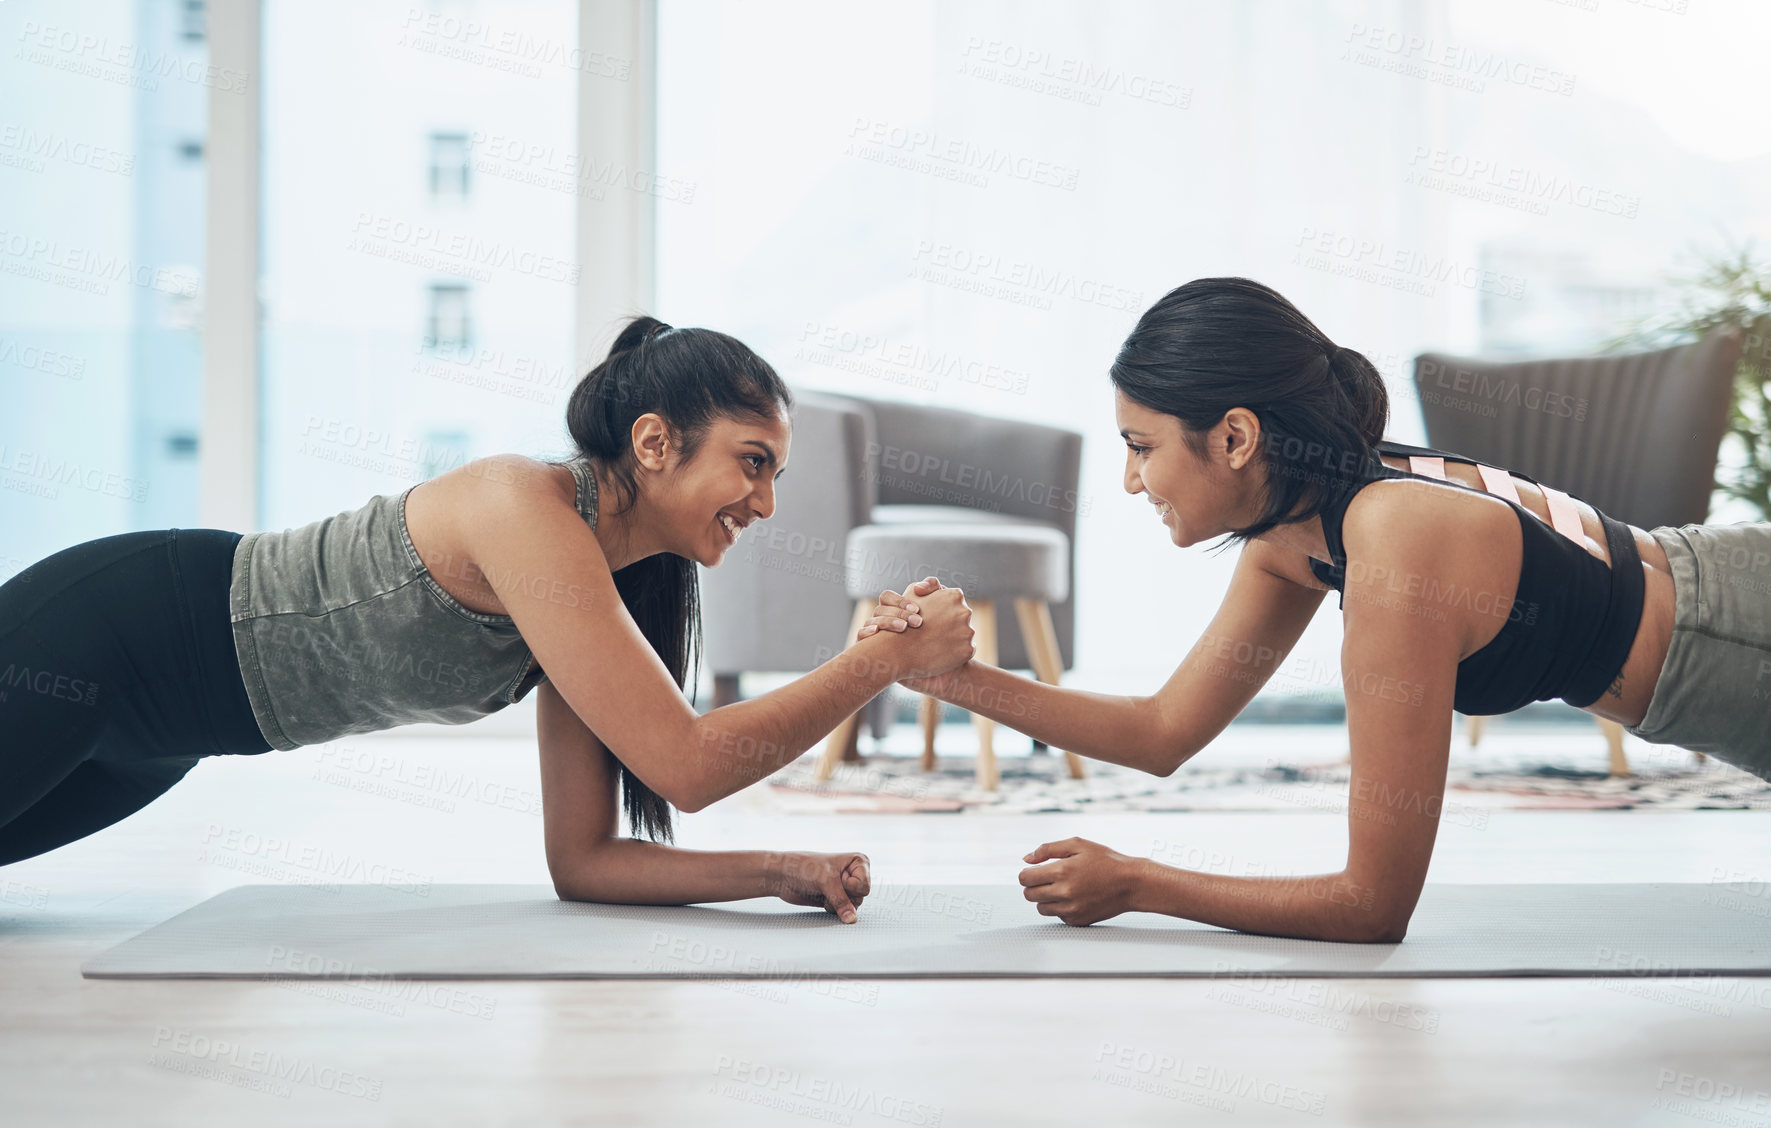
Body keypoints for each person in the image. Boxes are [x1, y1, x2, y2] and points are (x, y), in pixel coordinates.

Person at [859, 276, 1771, 943]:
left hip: (1737, 632)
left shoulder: (1393, 539)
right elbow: (1160, 732)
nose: (1130, 481)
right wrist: (949, 677)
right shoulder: (1293, 540)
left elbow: (1372, 904)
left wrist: (1139, 884)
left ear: (1235, 436)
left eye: (1140, 447)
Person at [0, 316, 976, 924]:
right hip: (113, 637)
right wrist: (878, 662)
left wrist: (781, 871)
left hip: (166, 738)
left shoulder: (589, 590)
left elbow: (585, 861)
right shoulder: (523, 509)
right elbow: (688, 763)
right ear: (652, 442)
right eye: (752, 461)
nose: (764, 503)